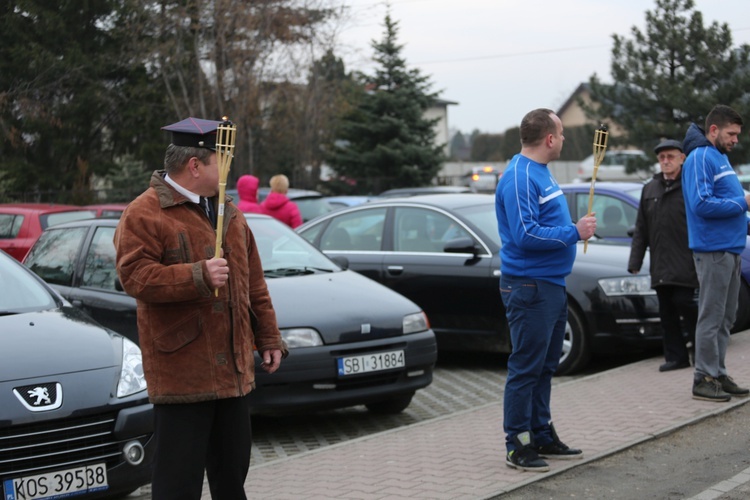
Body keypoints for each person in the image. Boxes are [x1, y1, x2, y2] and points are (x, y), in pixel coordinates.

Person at [114, 117, 287, 499]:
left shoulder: (230, 212)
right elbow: (135, 278)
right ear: (195, 165)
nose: (228, 170)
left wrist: (269, 336)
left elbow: (253, 283)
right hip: (183, 377)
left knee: (231, 483)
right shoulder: (144, 213)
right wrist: (197, 275)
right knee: (178, 486)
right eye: (221, 161)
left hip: (234, 375)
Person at [495, 108, 596, 472]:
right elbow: (526, 235)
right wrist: (574, 232)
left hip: (549, 284)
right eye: (562, 133)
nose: (565, 139)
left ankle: (541, 432)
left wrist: (572, 228)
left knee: (544, 366)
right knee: (526, 367)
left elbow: (541, 225)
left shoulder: (540, 173)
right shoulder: (520, 176)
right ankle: (518, 443)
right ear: (550, 139)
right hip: (529, 285)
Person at [682, 104, 750, 402]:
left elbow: (728, 203)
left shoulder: (719, 157)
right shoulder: (700, 157)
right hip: (713, 250)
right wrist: (743, 202)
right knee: (711, 315)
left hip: (730, 248)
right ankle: (703, 378)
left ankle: (718, 373)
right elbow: (701, 204)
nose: (736, 140)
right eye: (731, 133)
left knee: (726, 316)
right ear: (714, 130)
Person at [628, 139, 698, 373]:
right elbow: (641, 228)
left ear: (682, 158)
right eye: (662, 158)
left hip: (686, 260)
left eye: (670, 156)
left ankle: (702, 352)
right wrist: (634, 262)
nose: (666, 161)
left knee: (685, 304)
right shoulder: (650, 188)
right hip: (660, 263)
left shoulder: (690, 185)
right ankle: (677, 357)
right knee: (666, 312)